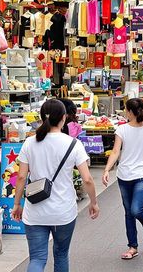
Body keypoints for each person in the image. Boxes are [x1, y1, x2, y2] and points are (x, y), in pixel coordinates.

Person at [12, 99, 100, 272]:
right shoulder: (74, 144)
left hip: (35, 210)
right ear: (64, 118)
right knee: (61, 255)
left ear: (41, 117)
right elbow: (87, 179)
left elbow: (21, 177)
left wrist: (17, 204)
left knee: (37, 258)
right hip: (63, 212)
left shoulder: (30, 143)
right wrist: (94, 202)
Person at [102, 98, 143, 260]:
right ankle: (133, 247)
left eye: (126, 110)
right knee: (128, 213)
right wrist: (107, 169)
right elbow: (116, 151)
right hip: (124, 175)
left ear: (130, 112)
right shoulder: (122, 130)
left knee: (135, 209)